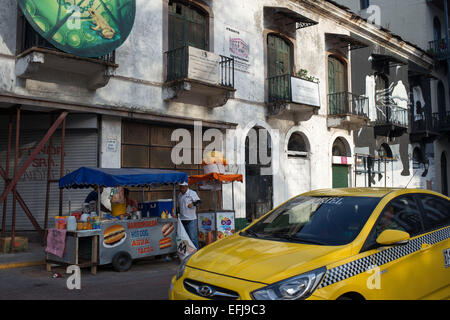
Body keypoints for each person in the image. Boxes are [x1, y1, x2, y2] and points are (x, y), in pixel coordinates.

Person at [177, 181, 201, 249]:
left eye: (183, 187)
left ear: (187, 187)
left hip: (191, 220)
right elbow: (179, 206)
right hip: (182, 220)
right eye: (180, 187)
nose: (181, 189)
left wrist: (193, 204)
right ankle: (188, 253)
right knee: (184, 238)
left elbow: (199, 202)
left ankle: (196, 253)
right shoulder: (179, 195)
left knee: (193, 238)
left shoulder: (192, 193)